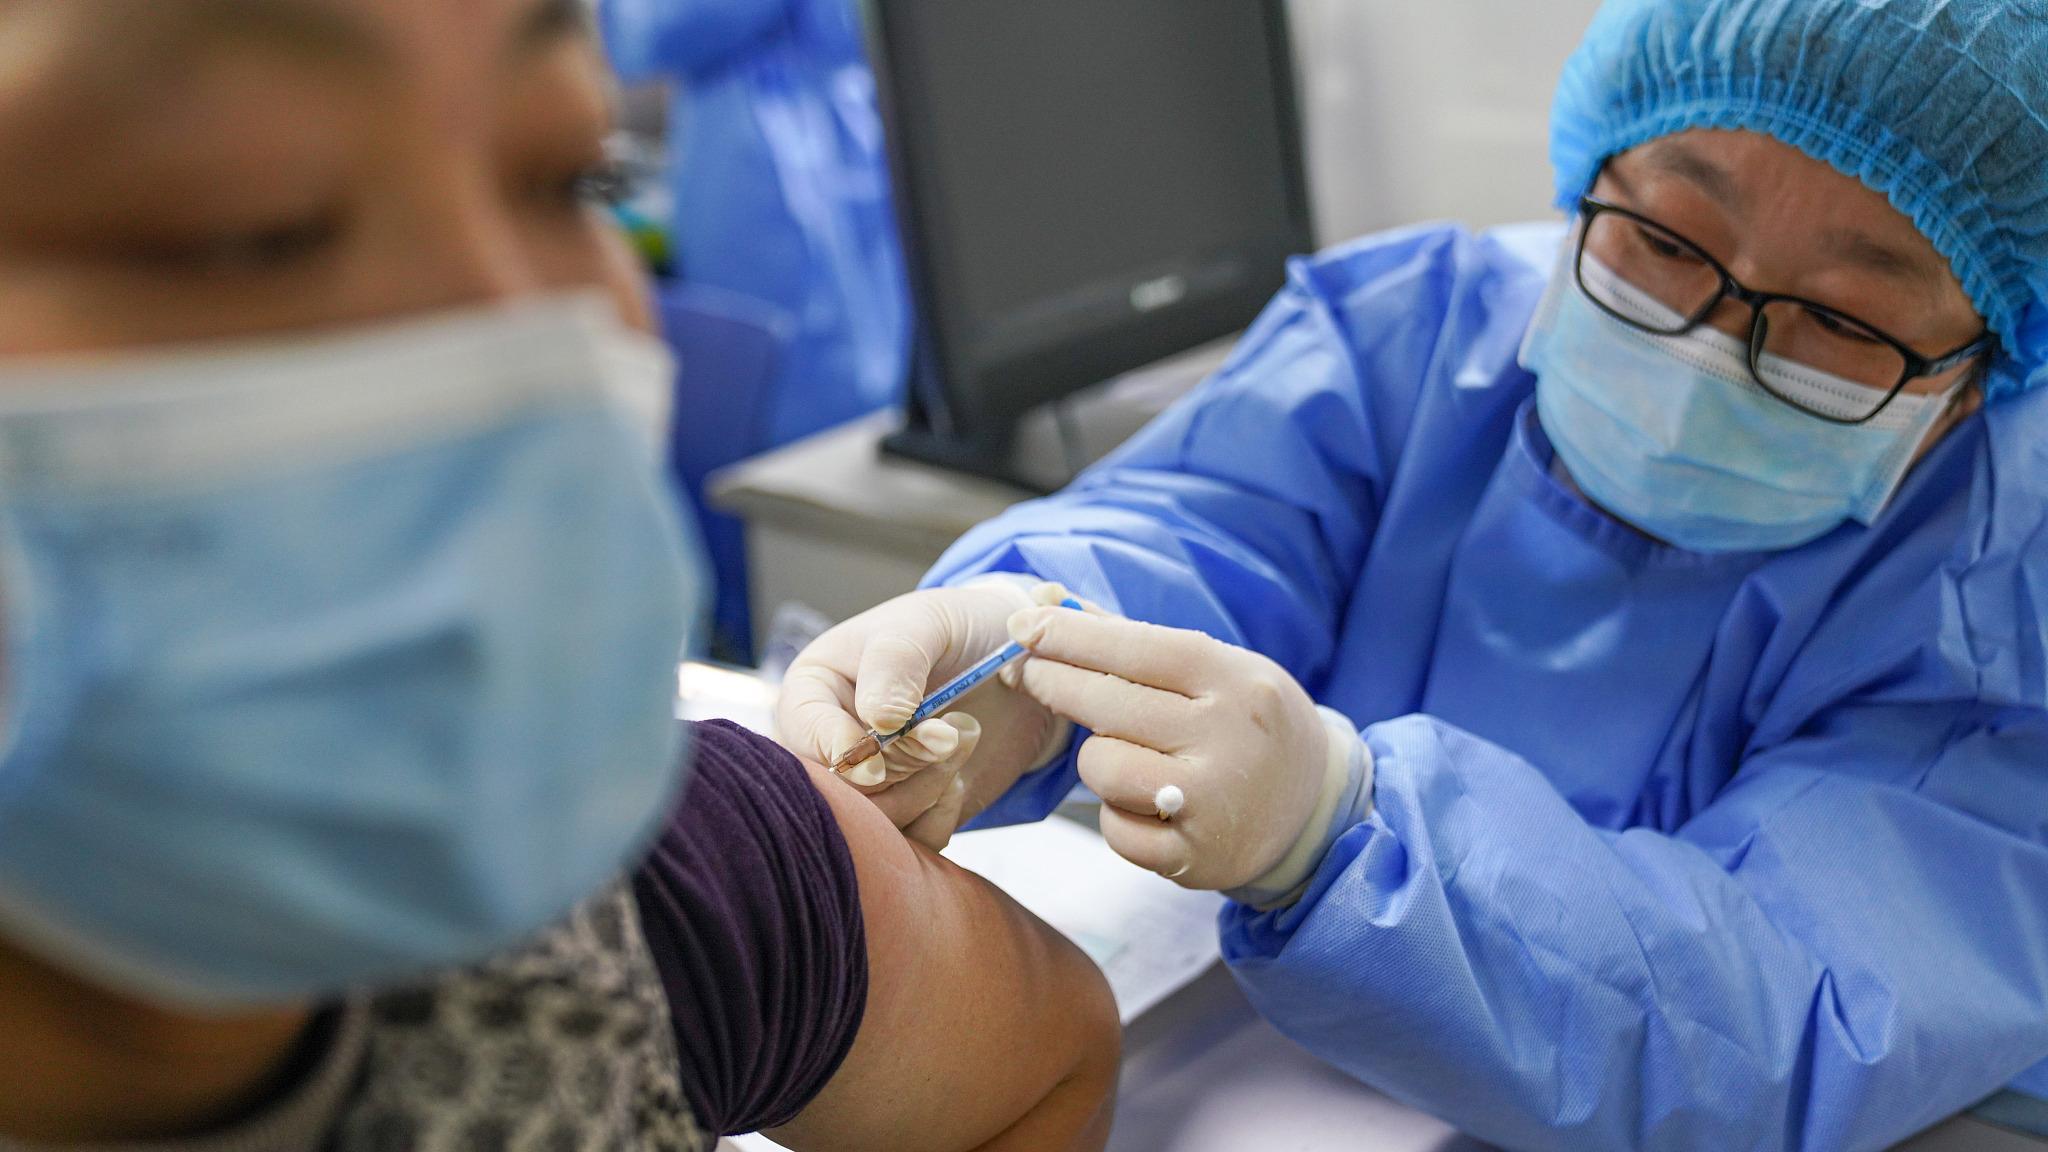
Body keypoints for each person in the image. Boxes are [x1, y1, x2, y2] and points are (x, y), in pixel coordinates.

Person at [777, 0, 2048, 1148]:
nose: (1708, 347)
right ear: (1592, 171)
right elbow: (1207, 521)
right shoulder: (1421, 328)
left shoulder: (1997, 607)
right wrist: (1031, 631)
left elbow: (1795, 1012)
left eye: (1839, 318)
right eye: (1665, 240)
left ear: (1984, 363)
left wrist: (1342, 834)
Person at [0, 2, 1117, 1150]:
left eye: (566, 178)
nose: (518, 339)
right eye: (242, 224)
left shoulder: (646, 908)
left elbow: (1050, 1060)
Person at [599, 0, 908, 446]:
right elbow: (639, 38)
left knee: (878, 388)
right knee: (771, 395)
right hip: (747, 173)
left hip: (854, 145)